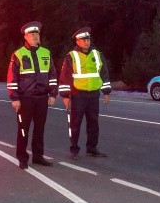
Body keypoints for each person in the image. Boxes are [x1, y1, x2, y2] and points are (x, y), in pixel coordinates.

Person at [7, 21, 58, 169]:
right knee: (23, 129)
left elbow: (52, 75)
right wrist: (15, 98)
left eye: (37, 34)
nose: (35, 36)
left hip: (42, 98)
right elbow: (12, 78)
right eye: (32, 34)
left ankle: (38, 157)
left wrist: (53, 94)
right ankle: (22, 158)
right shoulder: (18, 54)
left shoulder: (46, 53)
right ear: (26, 37)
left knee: (39, 129)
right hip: (25, 99)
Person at [58, 27, 111, 160]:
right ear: (78, 41)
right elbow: (65, 76)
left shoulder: (97, 54)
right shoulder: (71, 56)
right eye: (84, 40)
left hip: (93, 94)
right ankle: (74, 150)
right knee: (75, 123)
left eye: (88, 39)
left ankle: (92, 148)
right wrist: (65, 96)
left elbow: (104, 73)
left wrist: (106, 92)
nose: (87, 42)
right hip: (78, 94)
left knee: (93, 123)